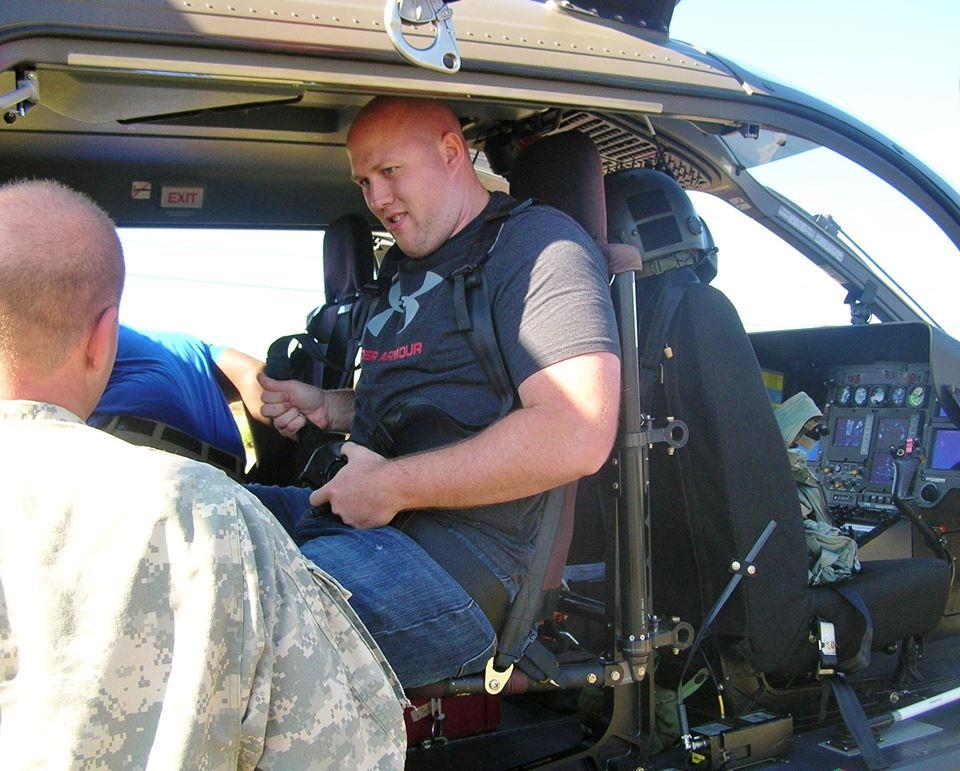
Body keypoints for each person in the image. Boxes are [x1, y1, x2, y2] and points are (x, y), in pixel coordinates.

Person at [0, 180, 405, 769]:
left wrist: (305, 413)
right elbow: (337, 751)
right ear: (103, 337)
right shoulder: (200, 515)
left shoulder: (197, 471)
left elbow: (248, 372)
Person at [252, 97, 621, 688]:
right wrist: (330, 407)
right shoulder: (404, 266)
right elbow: (441, 400)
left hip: (460, 565)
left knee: (231, 622)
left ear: (452, 153)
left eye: (389, 172)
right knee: (186, 517)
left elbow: (575, 432)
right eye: (365, 181)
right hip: (360, 521)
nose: (376, 199)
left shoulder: (540, 250)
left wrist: (392, 486)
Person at [89, 324, 266, 477]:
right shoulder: (192, 346)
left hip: (137, 447)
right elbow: (254, 373)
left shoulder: (102, 330)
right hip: (227, 471)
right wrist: (270, 475)